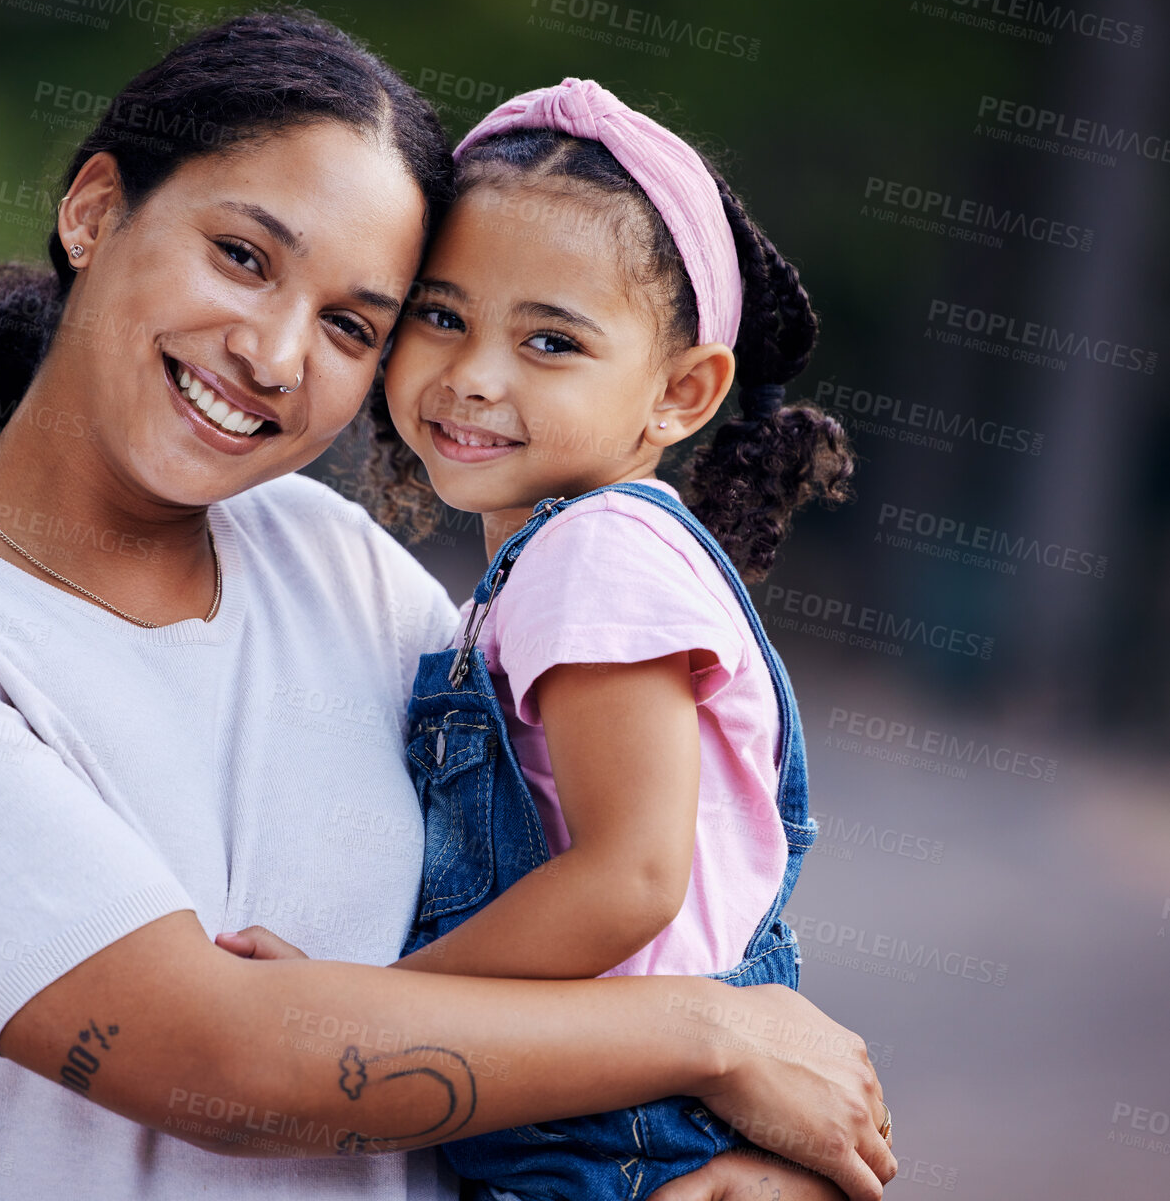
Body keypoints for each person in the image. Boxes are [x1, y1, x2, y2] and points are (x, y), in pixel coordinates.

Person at [0, 11, 895, 1201]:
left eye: (351, 324)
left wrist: (765, 1164)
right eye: (240, 255)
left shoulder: (337, 564)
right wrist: (711, 1037)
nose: (275, 354)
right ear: (93, 210)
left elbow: (642, 886)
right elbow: (220, 1064)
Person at [221, 76, 864, 1199]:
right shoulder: (562, 569)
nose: (472, 376)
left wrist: (374, 1004)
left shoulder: (592, 556)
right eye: (441, 315)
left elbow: (629, 879)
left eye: (550, 341)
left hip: (610, 1128)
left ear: (677, 392)